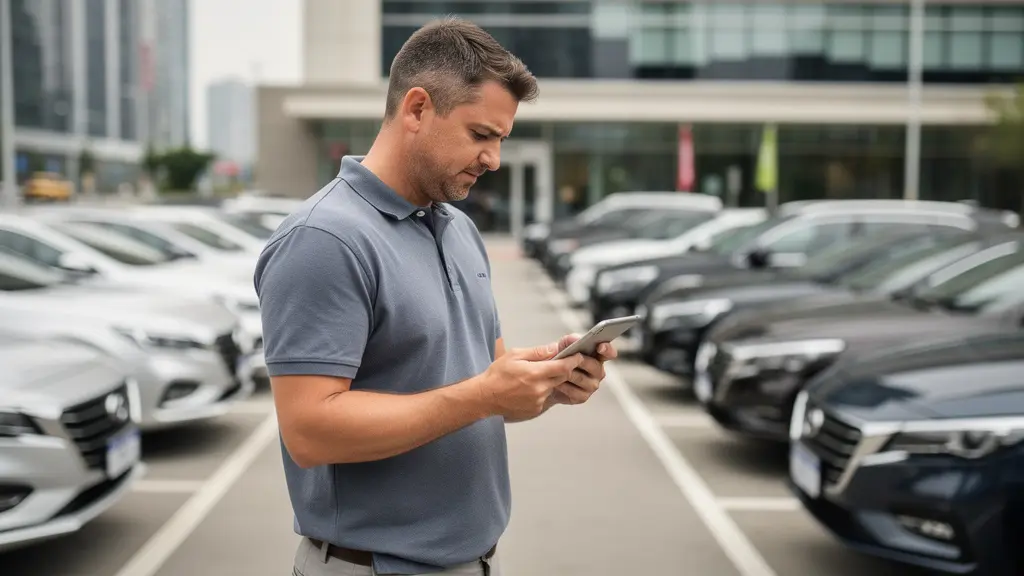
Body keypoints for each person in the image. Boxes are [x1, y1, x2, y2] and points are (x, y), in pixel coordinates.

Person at [254, 17, 619, 576]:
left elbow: (483, 382)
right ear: (418, 109)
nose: (494, 159)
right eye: (481, 135)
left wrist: (549, 381)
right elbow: (309, 431)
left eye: (501, 140)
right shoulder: (324, 239)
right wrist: (485, 395)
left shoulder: (458, 228)